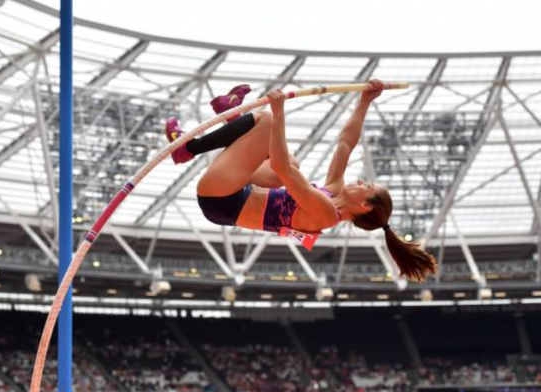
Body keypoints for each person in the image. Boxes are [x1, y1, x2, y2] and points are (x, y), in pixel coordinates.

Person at [166, 80, 437, 282]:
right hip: (238, 191)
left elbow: (282, 168)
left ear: (365, 205)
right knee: (289, 160)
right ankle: (234, 118)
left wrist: (280, 112)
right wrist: (365, 101)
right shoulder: (332, 192)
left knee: (267, 121)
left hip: (223, 199)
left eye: (367, 186)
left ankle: (187, 149)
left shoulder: (326, 213)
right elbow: (346, 143)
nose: (361, 181)